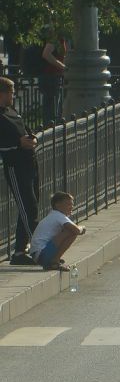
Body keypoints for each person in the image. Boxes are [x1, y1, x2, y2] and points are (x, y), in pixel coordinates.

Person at [1, 76, 42, 264]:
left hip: (29, 162)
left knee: (30, 206)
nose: (13, 95)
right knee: (28, 207)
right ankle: (40, 248)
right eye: (10, 92)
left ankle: (19, 252)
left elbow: (25, 129)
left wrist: (32, 138)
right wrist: (18, 144)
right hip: (15, 166)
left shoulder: (12, 111)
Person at [28, 188, 82, 271]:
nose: (71, 207)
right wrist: (82, 228)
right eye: (68, 204)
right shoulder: (58, 216)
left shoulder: (54, 215)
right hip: (41, 254)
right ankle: (54, 261)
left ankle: (54, 260)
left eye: (72, 204)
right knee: (71, 232)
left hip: (38, 255)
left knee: (69, 230)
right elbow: (76, 230)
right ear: (57, 205)